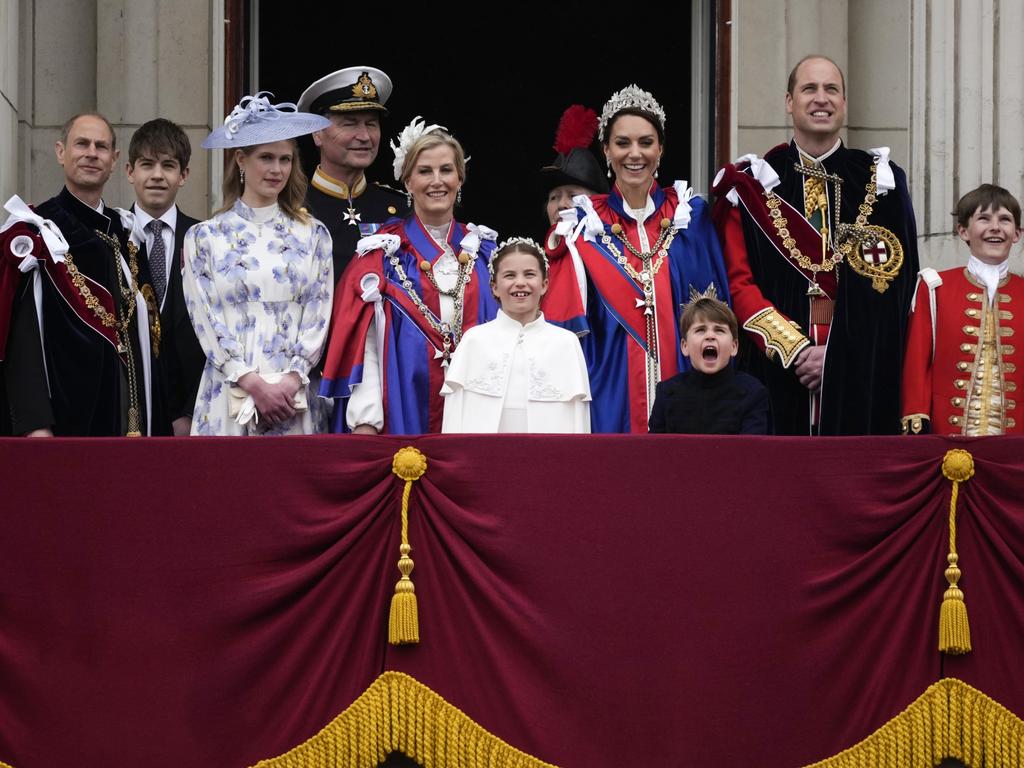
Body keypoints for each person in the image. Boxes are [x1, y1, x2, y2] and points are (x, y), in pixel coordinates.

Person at [713, 54, 919, 435]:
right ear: (789, 102)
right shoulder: (753, 184)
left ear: (844, 103)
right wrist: (797, 351)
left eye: (831, 90)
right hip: (775, 376)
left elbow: (897, 289)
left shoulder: (884, 183)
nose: (820, 98)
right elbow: (738, 284)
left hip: (860, 377)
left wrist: (839, 355)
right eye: (809, 88)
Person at [549, 84, 730, 433]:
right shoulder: (583, 226)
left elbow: (716, 314)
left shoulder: (691, 217)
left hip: (687, 395)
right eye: (623, 143)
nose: (635, 154)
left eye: (646, 142)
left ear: (660, 149)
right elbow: (563, 330)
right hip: (607, 395)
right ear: (606, 149)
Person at [319, 118, 498, 434]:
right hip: (402, 411)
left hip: (479, 412)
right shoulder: (381, 256)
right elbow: (367, 346)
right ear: (407, 181)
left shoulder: (485, 253)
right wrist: (365, 420)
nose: (436, 181)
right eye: (425, 171)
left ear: (460, 178)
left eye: (446, 170)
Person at [0, 112, 167, 436]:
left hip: (127, 417)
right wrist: (35, 424)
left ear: (115, 160)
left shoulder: (126, 235)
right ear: (61, 152)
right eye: (82, 144)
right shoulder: (36, 233)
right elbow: (22, 341)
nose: (92, 153)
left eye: (101, 146)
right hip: (64, 422)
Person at [183, 93, 333, 436]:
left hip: (292, 396)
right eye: (266, 157)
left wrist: (291, 379)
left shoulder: (314, 235)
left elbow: (318, 315)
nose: (277, 169)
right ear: (240, 159)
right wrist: (250, 382)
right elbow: (205, 320)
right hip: (228, 392)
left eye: (285, 159)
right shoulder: (204, 237)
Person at [901, 184, 1024, 436]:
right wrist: (916, 420)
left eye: (1005, 220)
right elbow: (917, 362)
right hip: (947, 438)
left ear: (1017, 234)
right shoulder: (934, 288)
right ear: (964, 231)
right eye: (983, 218)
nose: (995, 227)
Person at [442, 237, 591, 433]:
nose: (520, 283)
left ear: (545, 284)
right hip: (483, 459)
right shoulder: (474, 340)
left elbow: (579, 420)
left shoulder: (566, 343)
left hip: (549, 459)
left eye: (529, 274)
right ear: (494, 286)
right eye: (510, 275)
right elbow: (454, 420)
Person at [126, 118, 203, 436]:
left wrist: (189, 411)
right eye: (147, 164)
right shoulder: (109, 238)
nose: (157, 175)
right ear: (130, 171)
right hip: (126, 417)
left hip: (193, 417)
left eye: (168, 165)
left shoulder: (206, 240)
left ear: (183, 175)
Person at [297, 67, 409, 282]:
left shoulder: (400, 208)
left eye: (371, 124)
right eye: (350, 124)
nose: (364, 136)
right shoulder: (291, 206)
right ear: (317, 133)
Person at [648, 295, 769, 434]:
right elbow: (654, 451)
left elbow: (753, 451)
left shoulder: (753, 392)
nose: (710, 336)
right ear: (684, 346)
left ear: (734, 346)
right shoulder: (667, 392)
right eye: (700, 330)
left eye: (719, 330)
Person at [539, 104, 607, 336]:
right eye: (554, 197)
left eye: (573, 196)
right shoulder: (534, 263)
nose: (561, 204)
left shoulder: (617, 255)